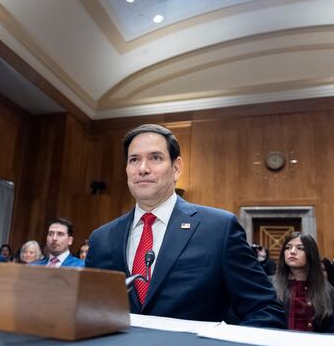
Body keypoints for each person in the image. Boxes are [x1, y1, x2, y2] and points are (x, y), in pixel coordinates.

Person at [86, 124, 285, 327]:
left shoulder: (219, 229)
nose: (143, 169)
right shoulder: (101, 238)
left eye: (155, 158)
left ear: (176, 168)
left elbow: (265, 311)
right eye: (134, 159)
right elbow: (87, 310)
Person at [273, 232, 334, 333]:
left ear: (311, 254)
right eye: (288, 247)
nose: (292, 252)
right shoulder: (270, 285)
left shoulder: (327, 290)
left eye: (300, 248)